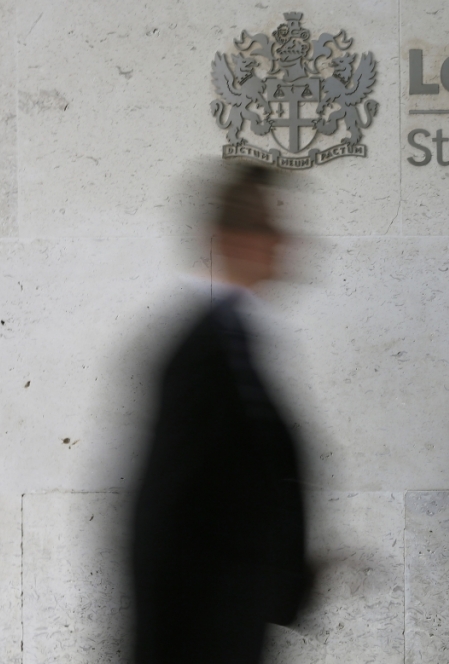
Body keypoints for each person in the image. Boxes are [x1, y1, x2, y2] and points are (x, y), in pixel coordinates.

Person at [131, 164, 311, 664]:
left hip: (229, 622)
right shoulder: (202, 352)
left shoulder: (236, 341)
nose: (285, 242)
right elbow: (163, 512)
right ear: (229, 240)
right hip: (201, 633)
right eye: (270, 228)